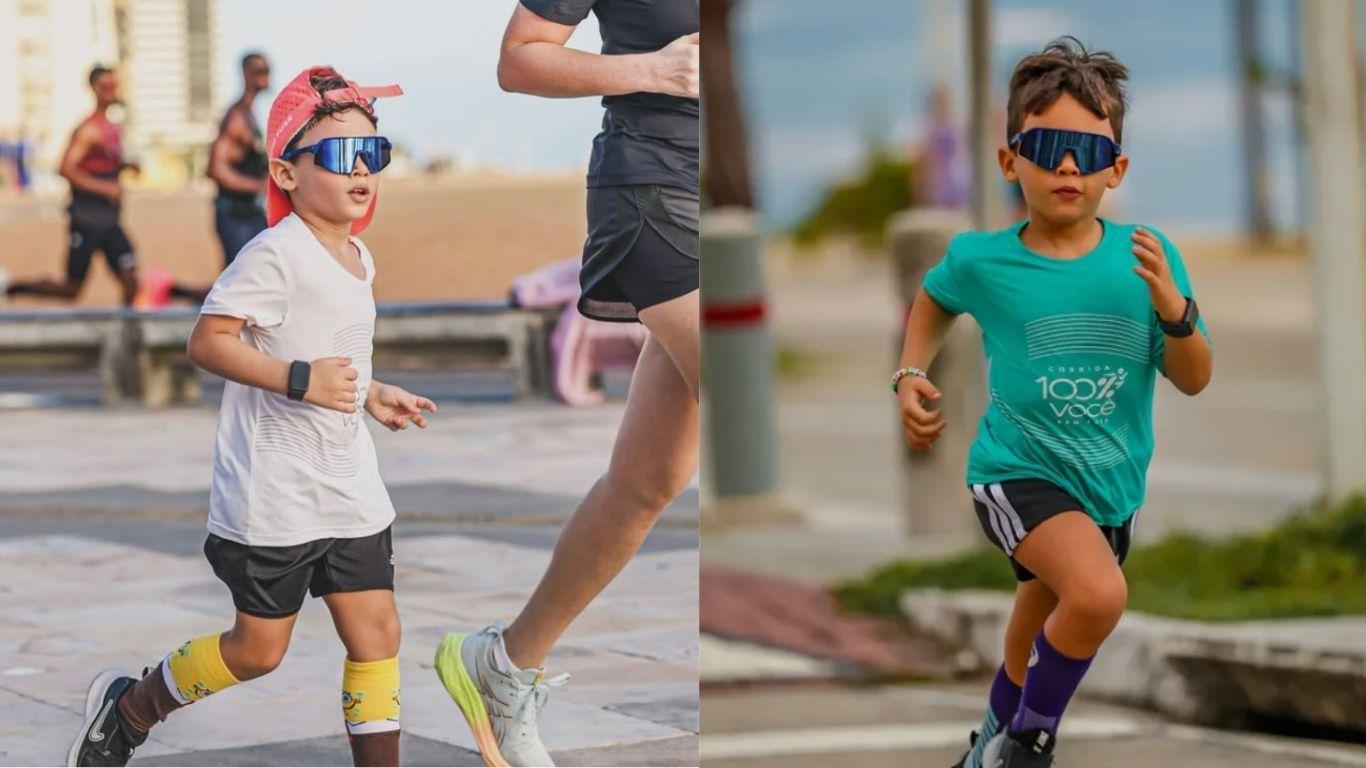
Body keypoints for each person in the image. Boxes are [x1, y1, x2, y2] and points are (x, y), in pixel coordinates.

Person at [66, 66, 432, 768]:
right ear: (286, 174)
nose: (360, 169)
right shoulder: (274, 254)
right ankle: (133, 708)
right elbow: (208, 341)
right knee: (258, 651)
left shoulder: (359, 255)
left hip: (349, 487)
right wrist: (302, 381)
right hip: (276, 497)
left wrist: (371, 390)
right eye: (336, 154)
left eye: (373, 153)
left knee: (378, 634)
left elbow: (324, 349)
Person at [893, 38, 1212, 768]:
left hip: (1111, 487)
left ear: (1116, 169)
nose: (1069, 165)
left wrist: (1175, 309)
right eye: (1048, 145)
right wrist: (910, 369)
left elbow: (1194, 377)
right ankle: (1029, 744)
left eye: (1088, 150)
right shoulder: (984, 258)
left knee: (1035, 626)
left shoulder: (1146, 257)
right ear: (1012, 162)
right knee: (1098, 596)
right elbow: (934, 298)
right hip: (1016, 471)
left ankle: (984, 750)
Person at [431, 3, 700, 765]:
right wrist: (651, 70)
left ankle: (504, 662)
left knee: (648, 481)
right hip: (652, 194)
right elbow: (520, 56)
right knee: (754, 420)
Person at [6, 66, 139, 305]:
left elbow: (102, 165)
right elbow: (65, 169)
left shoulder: (112, 129)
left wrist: (126, 166)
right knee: (71, 290)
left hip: (109, 220)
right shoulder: (88, 129)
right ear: (95, 89)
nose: (113, 91)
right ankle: (13, 288)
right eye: (108, 86)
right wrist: (104, 188)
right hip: (86, 219)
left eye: (115, 86)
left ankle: (127, 334)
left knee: (130, 278)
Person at [210, 52, 272, 267]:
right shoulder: (236, 118)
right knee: (238, 278)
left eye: (267, 70)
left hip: (251, 212)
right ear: (246, 74)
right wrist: (258, 185)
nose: (266, 76)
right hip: (235, 215)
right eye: (260, 71)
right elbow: (216, 169)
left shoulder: (249, 114)